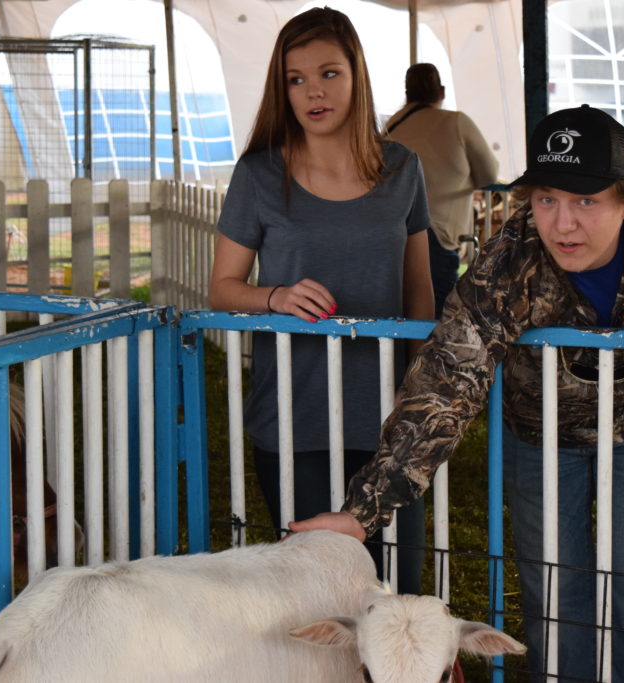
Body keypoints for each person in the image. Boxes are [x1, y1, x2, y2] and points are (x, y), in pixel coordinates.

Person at [291, 105, 624, 681]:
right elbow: (446, 382)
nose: (563, 224)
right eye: (547, 198)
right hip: (541, 435)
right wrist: (362, 512)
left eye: (586, 201)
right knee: (556, 590)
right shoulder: (510, 259)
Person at [207, 7, 434, 593]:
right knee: (314, 596)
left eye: (329, 73)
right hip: (294, 412)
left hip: (388, 418)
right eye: (296, 78)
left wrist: (423, 391)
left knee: (395, 591)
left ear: (357, 74)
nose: (313, 91)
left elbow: (419, 290)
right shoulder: (259, 175)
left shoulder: (403, 168)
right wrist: (276, 295)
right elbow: (223, 289)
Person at [385, 63, 499, 317]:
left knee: (401, 315)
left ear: (407, 93)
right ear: (442, 91)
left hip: (394, 234)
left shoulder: (392, 126)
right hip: (439, 236)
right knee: (436, 318)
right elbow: (489, 174)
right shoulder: (456, 122)